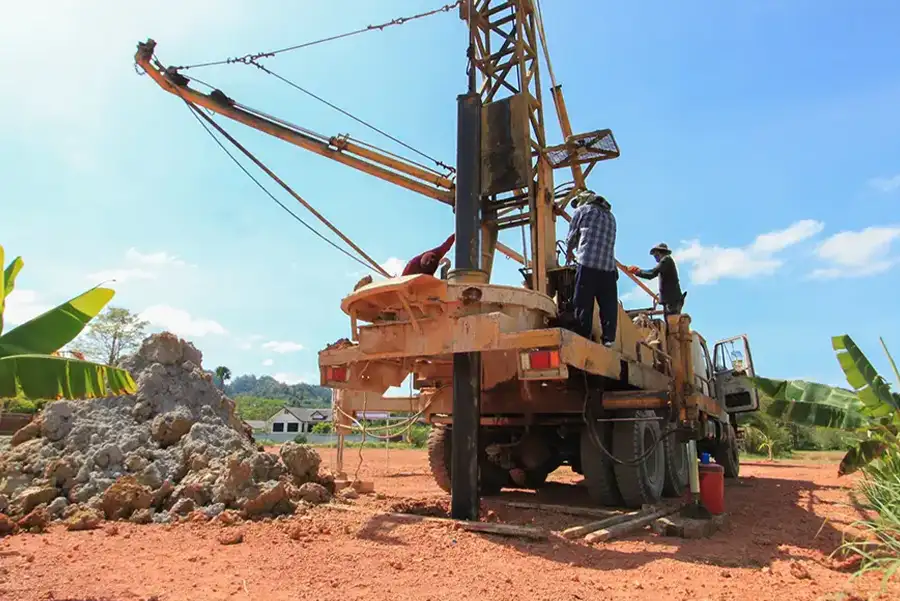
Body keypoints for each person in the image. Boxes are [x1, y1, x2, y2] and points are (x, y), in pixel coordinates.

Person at [565, 190, 618, 347]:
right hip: (608, 268)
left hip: (587, 263)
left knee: (583, 302)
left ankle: (583, 336)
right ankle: (608, 338)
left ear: (584, 200)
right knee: (608, 305)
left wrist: (569, 251)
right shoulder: (611, 217)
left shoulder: (582, 210)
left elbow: (572, 237)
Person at [627, 242, 685, 315]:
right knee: (670, 320)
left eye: (655, 255)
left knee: (672, 320)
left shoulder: (666, 260)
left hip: (672, 300)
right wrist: (638, 271)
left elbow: (651, 274)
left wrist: (638, 271)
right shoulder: (666, 262)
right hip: (670, 300)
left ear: (659, 253)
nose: (654, 257)